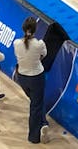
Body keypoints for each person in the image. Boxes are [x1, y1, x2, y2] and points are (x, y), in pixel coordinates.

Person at [14, 16, 49, 144]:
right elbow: (43, 55)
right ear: (35, 29)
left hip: (22, 77)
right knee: (36, 105)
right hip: (36, 77)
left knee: (36, 102)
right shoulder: (40, 44)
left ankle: (43, 122)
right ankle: (34, 136)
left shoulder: (16, 43)